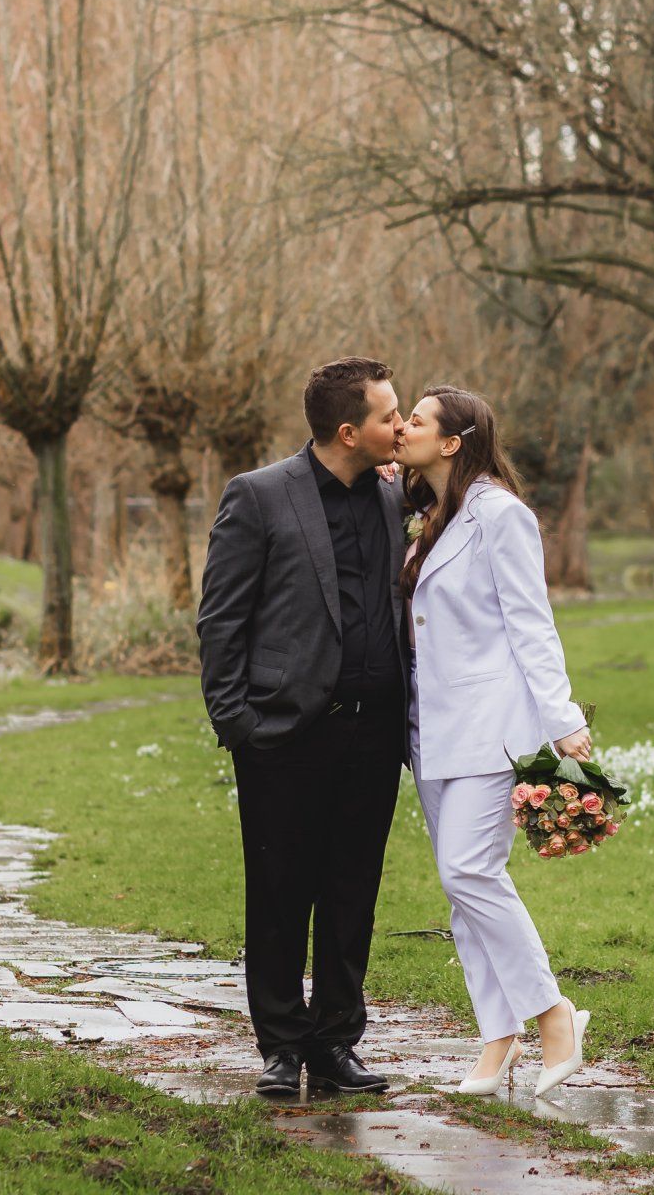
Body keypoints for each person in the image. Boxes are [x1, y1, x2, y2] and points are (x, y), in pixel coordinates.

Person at [197, 356, 409, 1097]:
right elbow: (221, 618)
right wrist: (237, 722)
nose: (402, 425)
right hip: (283, 736)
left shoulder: (393, 494)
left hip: (375, 734)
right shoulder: (258, 497)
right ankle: (281, 1047)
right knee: (281, 893)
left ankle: (336, 1043)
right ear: (349, 431)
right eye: (389, 416)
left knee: (353, 893)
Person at [395, 384, 595, 1099]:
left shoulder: (501, 516)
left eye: (413, 420)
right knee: (462, 891)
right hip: (431, 733)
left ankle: (554, 1015)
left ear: (452, 442)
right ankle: (496, 1039)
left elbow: (530, 622)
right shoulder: (431, 515)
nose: (400, 426)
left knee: (469, 873)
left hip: (491, 727)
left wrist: (562, 719)